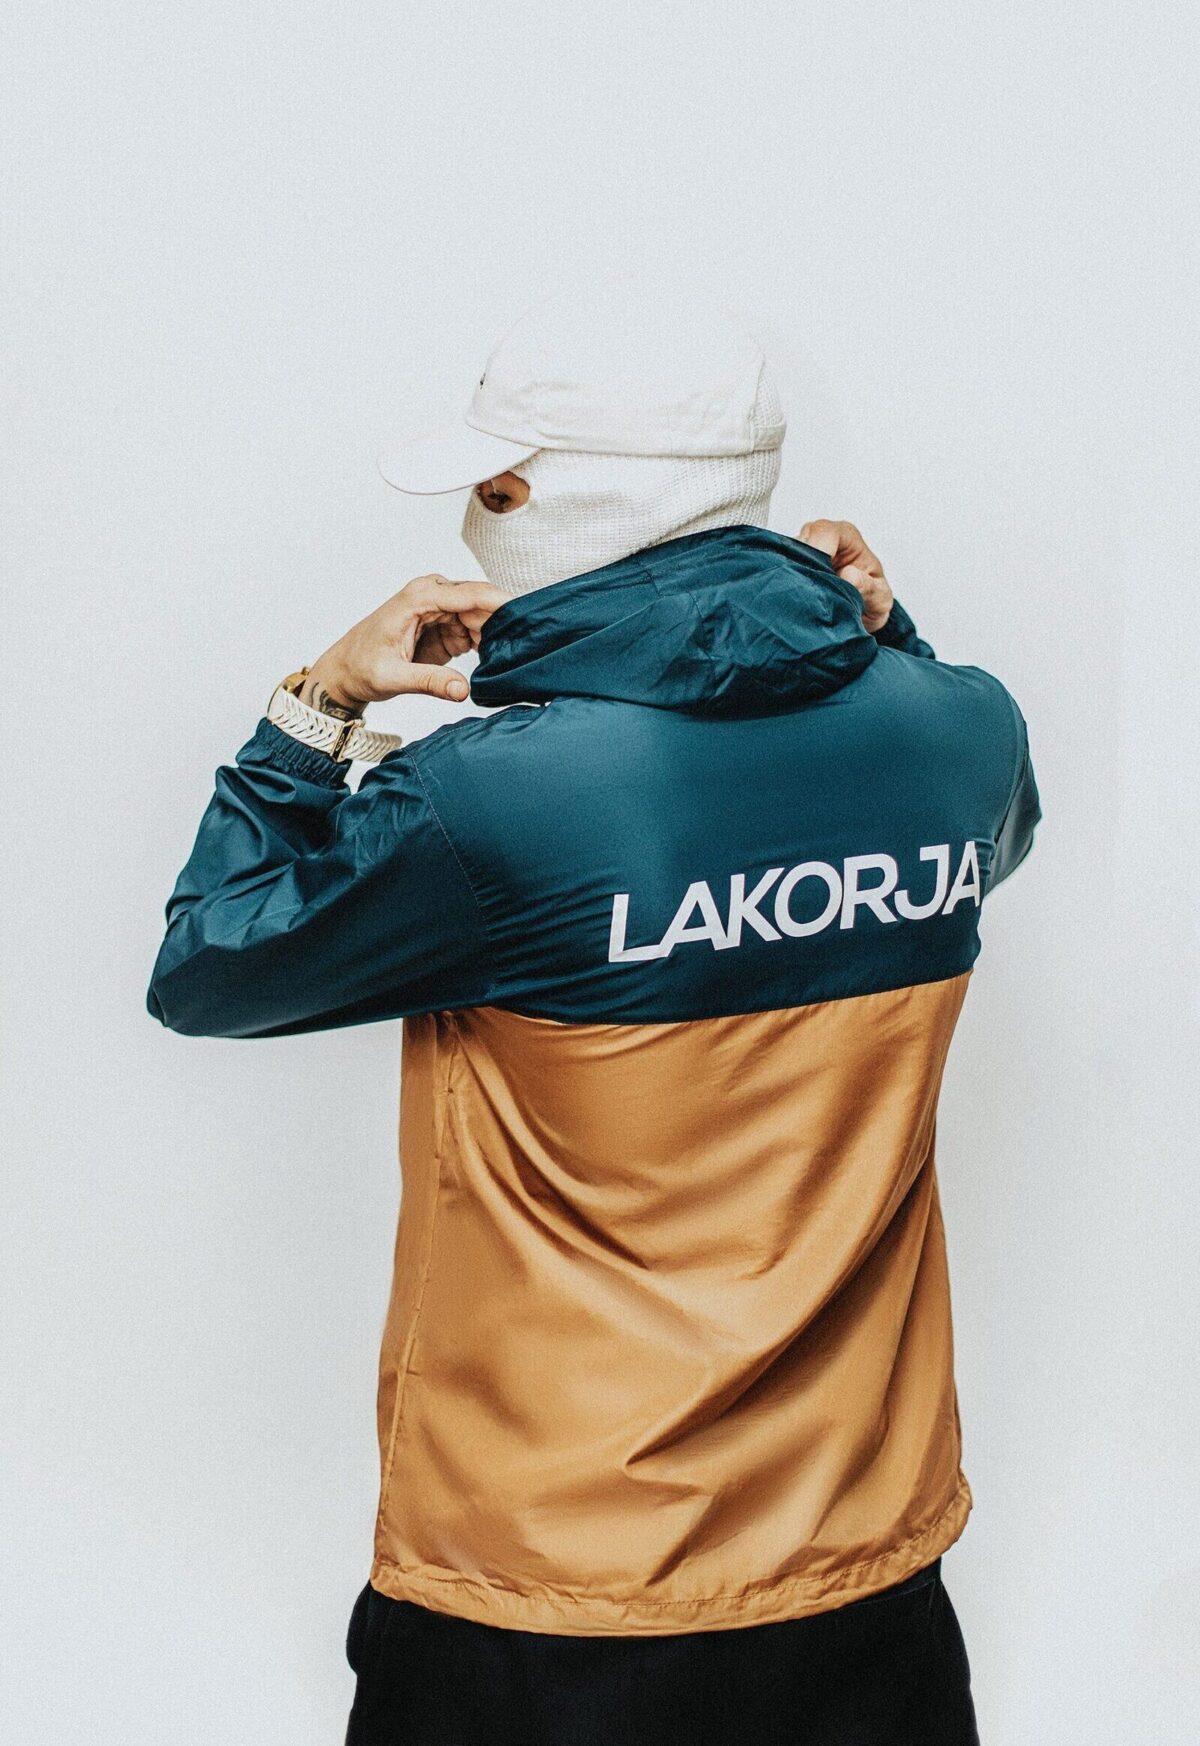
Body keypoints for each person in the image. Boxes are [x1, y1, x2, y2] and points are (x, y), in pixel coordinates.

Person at [147, 284, 1040, 1746]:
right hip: (866, 1578)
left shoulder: (493, 796)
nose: (476, 522)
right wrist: (880, 634)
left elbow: (209, 964)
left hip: (548, 1597)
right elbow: (988, 830)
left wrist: (318, 703)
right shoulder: (965, 728)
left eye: (498, 490)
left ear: (575, 505)